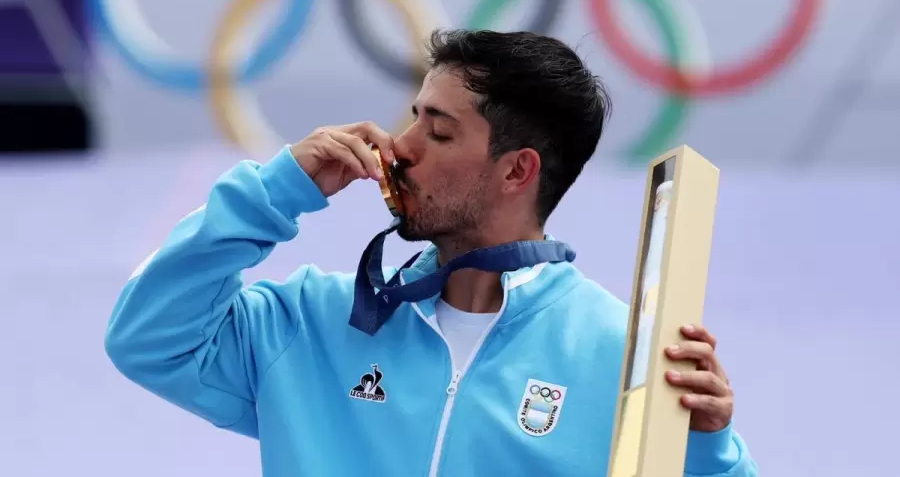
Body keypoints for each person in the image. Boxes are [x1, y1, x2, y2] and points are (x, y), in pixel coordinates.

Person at [105, 29, 758, 477]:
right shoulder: (310, 322)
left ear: (515, 172)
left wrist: (706, 447)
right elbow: (147, 338)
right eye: (412, 116)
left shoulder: (623, 354)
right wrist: (278, 190)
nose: (401, 144)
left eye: (437, 131)